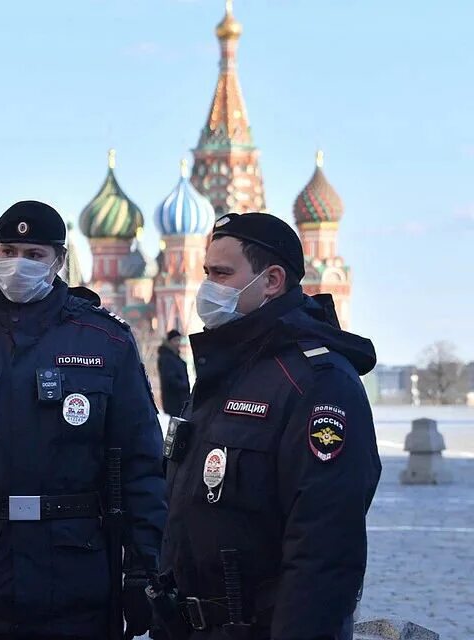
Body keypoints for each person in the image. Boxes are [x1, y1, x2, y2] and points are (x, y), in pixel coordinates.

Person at [0, 200, 167, 639]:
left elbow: (141, 467)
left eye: (34, 255)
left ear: (59, 261)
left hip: (76, 580)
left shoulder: (106, 342)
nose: (18, 265)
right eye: (9, 251)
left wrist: (147, 574)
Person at [155, 213, 381, 640]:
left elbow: (325, 548)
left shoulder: (317, 381)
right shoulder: (225, 369)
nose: (208, 288)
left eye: (222, 274)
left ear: (272, 280)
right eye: (207, 273)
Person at [157, 329, 191, 417]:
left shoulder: (175, 356)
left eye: (179, 340)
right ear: (170, 341)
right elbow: (169, 378)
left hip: (181, 399)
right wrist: (183, 386)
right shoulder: (167, 357)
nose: (178, 343)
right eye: (175, 340)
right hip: (174, 400)